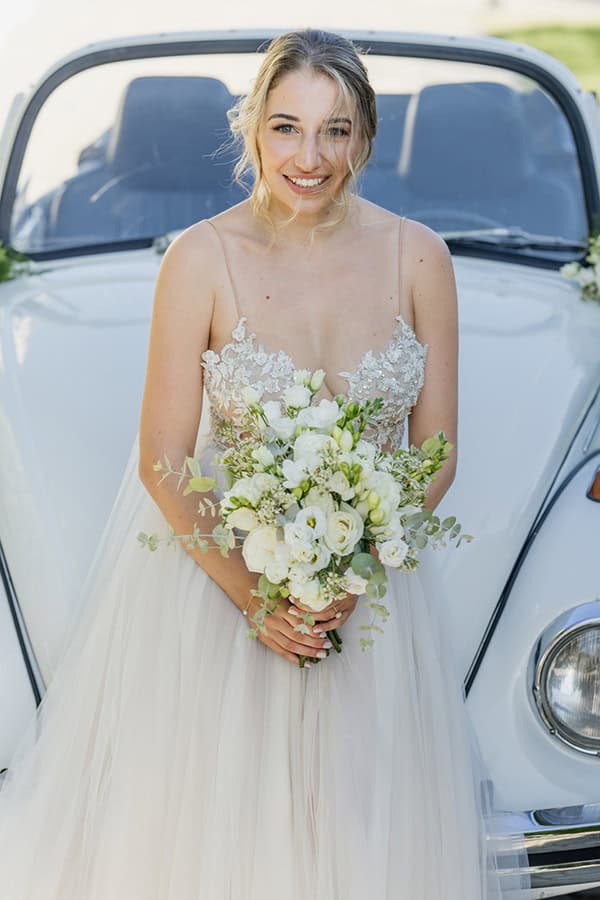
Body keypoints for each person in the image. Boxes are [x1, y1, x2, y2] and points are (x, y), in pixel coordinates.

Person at [0, 28, 531, 900]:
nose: (311, 157)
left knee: (366, 832)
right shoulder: (200, 259)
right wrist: (265, 603)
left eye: (336, 129)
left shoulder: (420, 257)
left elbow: (435, 452)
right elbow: (164, 457)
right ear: (251, 128)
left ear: (366, 135)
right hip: (221, 595)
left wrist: (354, 571)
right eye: (287, 127)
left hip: (368, 606)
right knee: (213, 840)